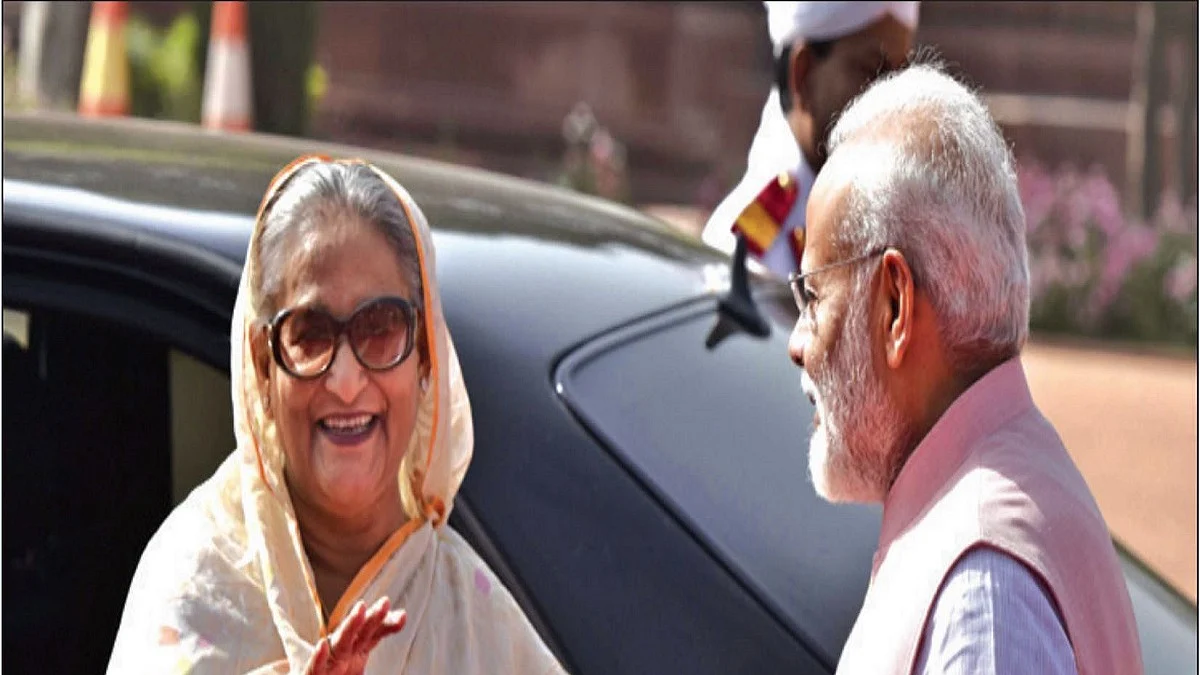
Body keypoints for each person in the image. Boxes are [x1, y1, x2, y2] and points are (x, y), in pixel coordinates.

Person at [108, 156, 566, 674]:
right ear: (263, 363)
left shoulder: (473, 622)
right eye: (310, 333)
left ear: (424, 358)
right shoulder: (194, 586)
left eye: (380, 327)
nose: (346, 382)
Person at [787, 61, 1143, 674]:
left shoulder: (982, 593)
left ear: (894, 305)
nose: (797, 340)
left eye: (813, 297)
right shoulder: (993, 503)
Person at [701, 1, 919, 277]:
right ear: (803, 74)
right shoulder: (746, 253)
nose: (893, 98)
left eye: (901, 74)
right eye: (871, 71)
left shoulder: (902, 226)